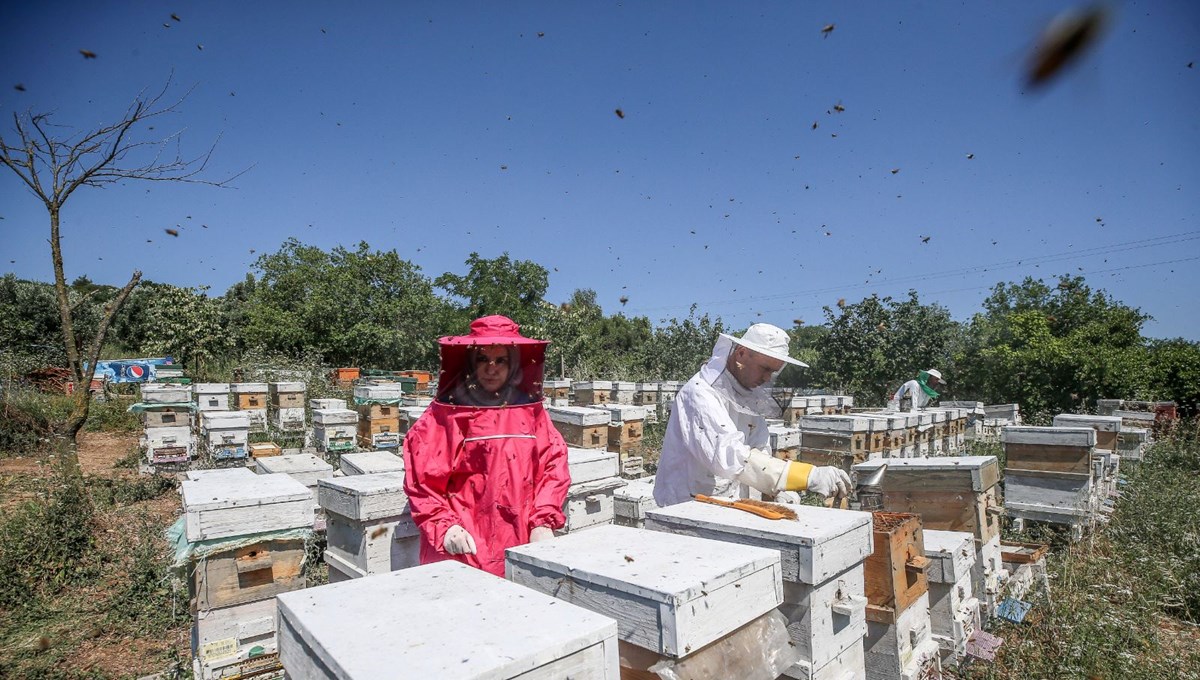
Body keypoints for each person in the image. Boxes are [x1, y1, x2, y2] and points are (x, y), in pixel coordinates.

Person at [403, 315, 571, 576]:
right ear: (471, 362)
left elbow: (553, 466)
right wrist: (444, 526)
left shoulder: (531, 412)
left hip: (521, 540)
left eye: (501, 360)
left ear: (513, 364)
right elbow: (423, 481)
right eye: (483, 359)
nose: (491, 368)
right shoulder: (446, 415)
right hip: (464, 547)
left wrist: (542, 521)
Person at [653, 323, 852, 507]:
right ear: (741, 353)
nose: (767, 378)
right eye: (765, 369)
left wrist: (783, 488)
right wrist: (809, 476)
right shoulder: (699, 393)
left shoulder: (749, 396)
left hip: (728, 503)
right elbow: (729, 455)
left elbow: (758, 449)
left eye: (773, 372)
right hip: (684, 505)